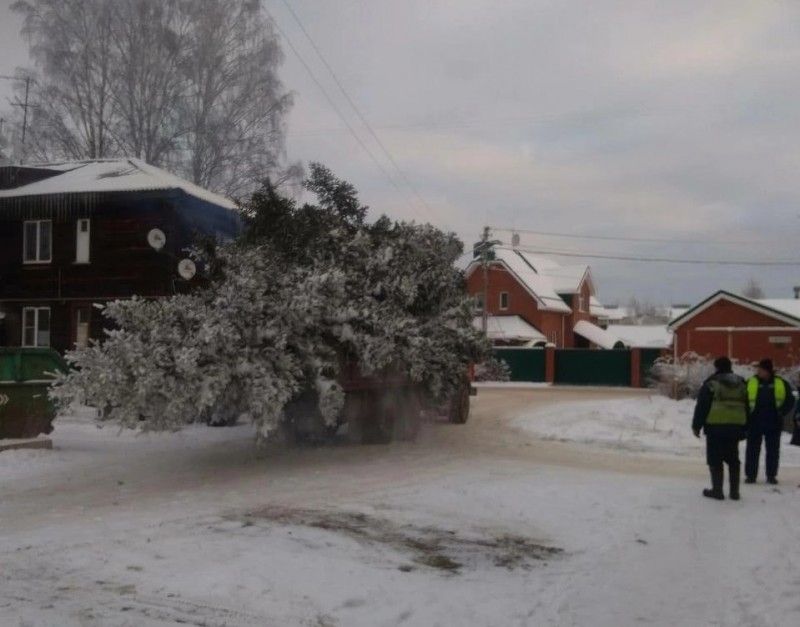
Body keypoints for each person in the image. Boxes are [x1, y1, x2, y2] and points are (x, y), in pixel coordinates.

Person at [692, 356, 748, 500]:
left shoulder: (712, 383)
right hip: (735, 426)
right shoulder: (741, 383)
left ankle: (717, 491)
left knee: (715, 459)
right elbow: (747, 405)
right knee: (733, 459)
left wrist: (696, 426)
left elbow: (702, 406)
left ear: (716, 367)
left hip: (715, 426)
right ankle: (734, 492)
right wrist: (746, 425)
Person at [745, 359, 795, 485]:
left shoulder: (780, 383)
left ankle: (771, 475)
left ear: (768, 370)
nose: (758, 371)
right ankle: (751, 475)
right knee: (752, 450)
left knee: (772, 450)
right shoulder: (751, 382)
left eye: (761, 369)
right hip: (755, 421)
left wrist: (782, 412)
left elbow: (790, 399)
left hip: (773, 421)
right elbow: (743, 399)